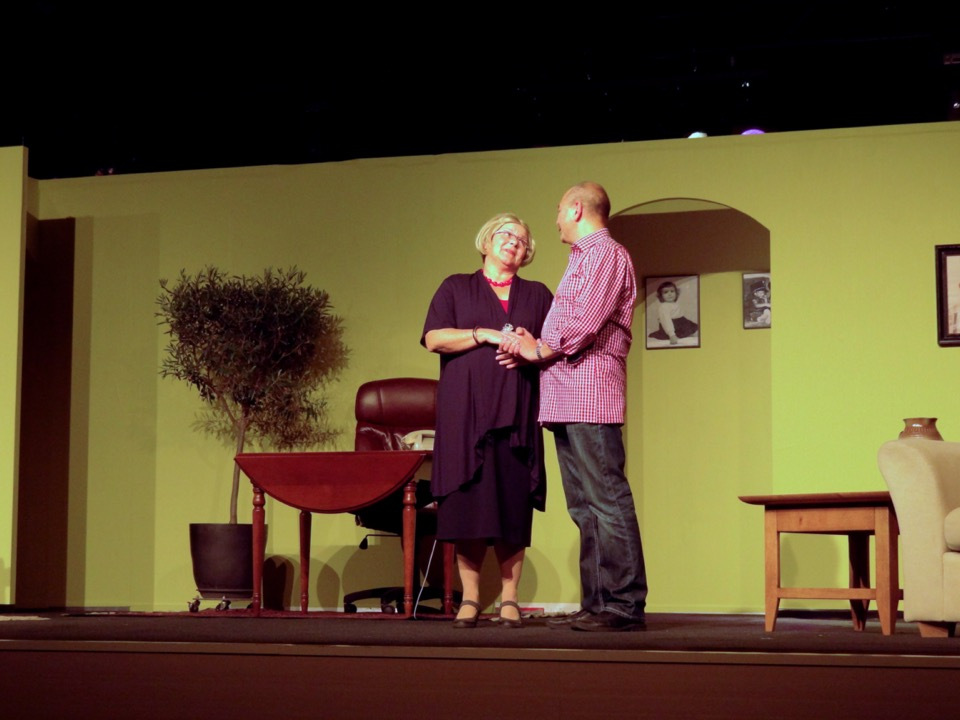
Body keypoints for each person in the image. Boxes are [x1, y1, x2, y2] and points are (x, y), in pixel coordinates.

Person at [500, 182, 648, 632]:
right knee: (583, 506)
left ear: (578, 209)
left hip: (590, 396)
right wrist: (535, 344)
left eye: (560, 210)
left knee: (606, 499)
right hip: (566, 396)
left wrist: (538, 348)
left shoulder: (605, 255)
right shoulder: (581, 258)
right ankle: (598, 601)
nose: (556, 219)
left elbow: (583, 323)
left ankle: (624, 604)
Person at [421, 213, 553, 629]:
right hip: (465, 415)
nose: (514, 242)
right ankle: (471, 598)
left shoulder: (537, 294)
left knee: (513, 505)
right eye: (506, 234)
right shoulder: (456, 287)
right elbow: (434, 338)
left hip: (516, 415)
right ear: (486, 241)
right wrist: (483, 334)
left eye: (522, 240)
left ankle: (510, 599)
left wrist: (530, 351)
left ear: (527, 253)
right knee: (468, 506)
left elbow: (553, 346)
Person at [648, 280, 699, 344]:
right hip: (672, 325)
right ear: (661, 295)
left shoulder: (674, 304)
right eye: (666, 292)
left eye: (672, 291)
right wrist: (671, 334)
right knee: (679, 332)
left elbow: (679, 315)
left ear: (676, 293)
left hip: (681, 322)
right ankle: (674, 335)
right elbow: (666, 320)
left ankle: (688, 333)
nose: (670, 294)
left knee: (692, 328)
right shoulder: (664, 307)